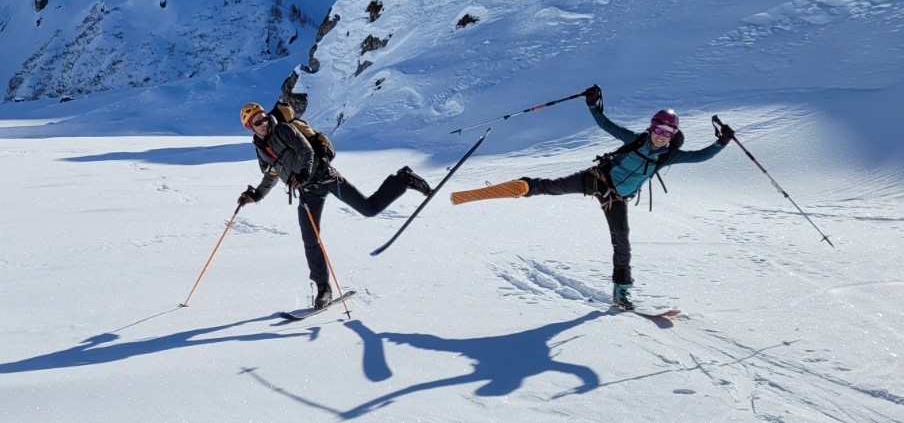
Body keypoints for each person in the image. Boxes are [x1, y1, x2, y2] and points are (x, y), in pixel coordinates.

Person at [447, 85, 734, 310]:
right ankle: (520, 187)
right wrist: (593, 104)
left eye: (667, 132)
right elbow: (607, 126)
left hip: (616, 200)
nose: (661, 136)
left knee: (622, 244)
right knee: (552, 186)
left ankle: (621, 293)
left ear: (673, 134)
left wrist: (721, 142)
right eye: (658, 129)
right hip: (597, 181)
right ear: (651, 127)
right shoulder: (635, 140)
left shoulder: (668, 157)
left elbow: (701, 157)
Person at [236, 101, 433, 308]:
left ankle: (403, 179)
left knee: (369, 208)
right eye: (258, 122)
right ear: (250, 127)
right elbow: (272, 174)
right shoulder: (261, 149)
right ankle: (323, 289)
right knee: (310, 239)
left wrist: (303, 173)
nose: (264, 123)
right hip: (307, 192)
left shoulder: (283, 130)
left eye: (264, 117)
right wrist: (256, 195)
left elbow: (306, 151)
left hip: (325, 178)